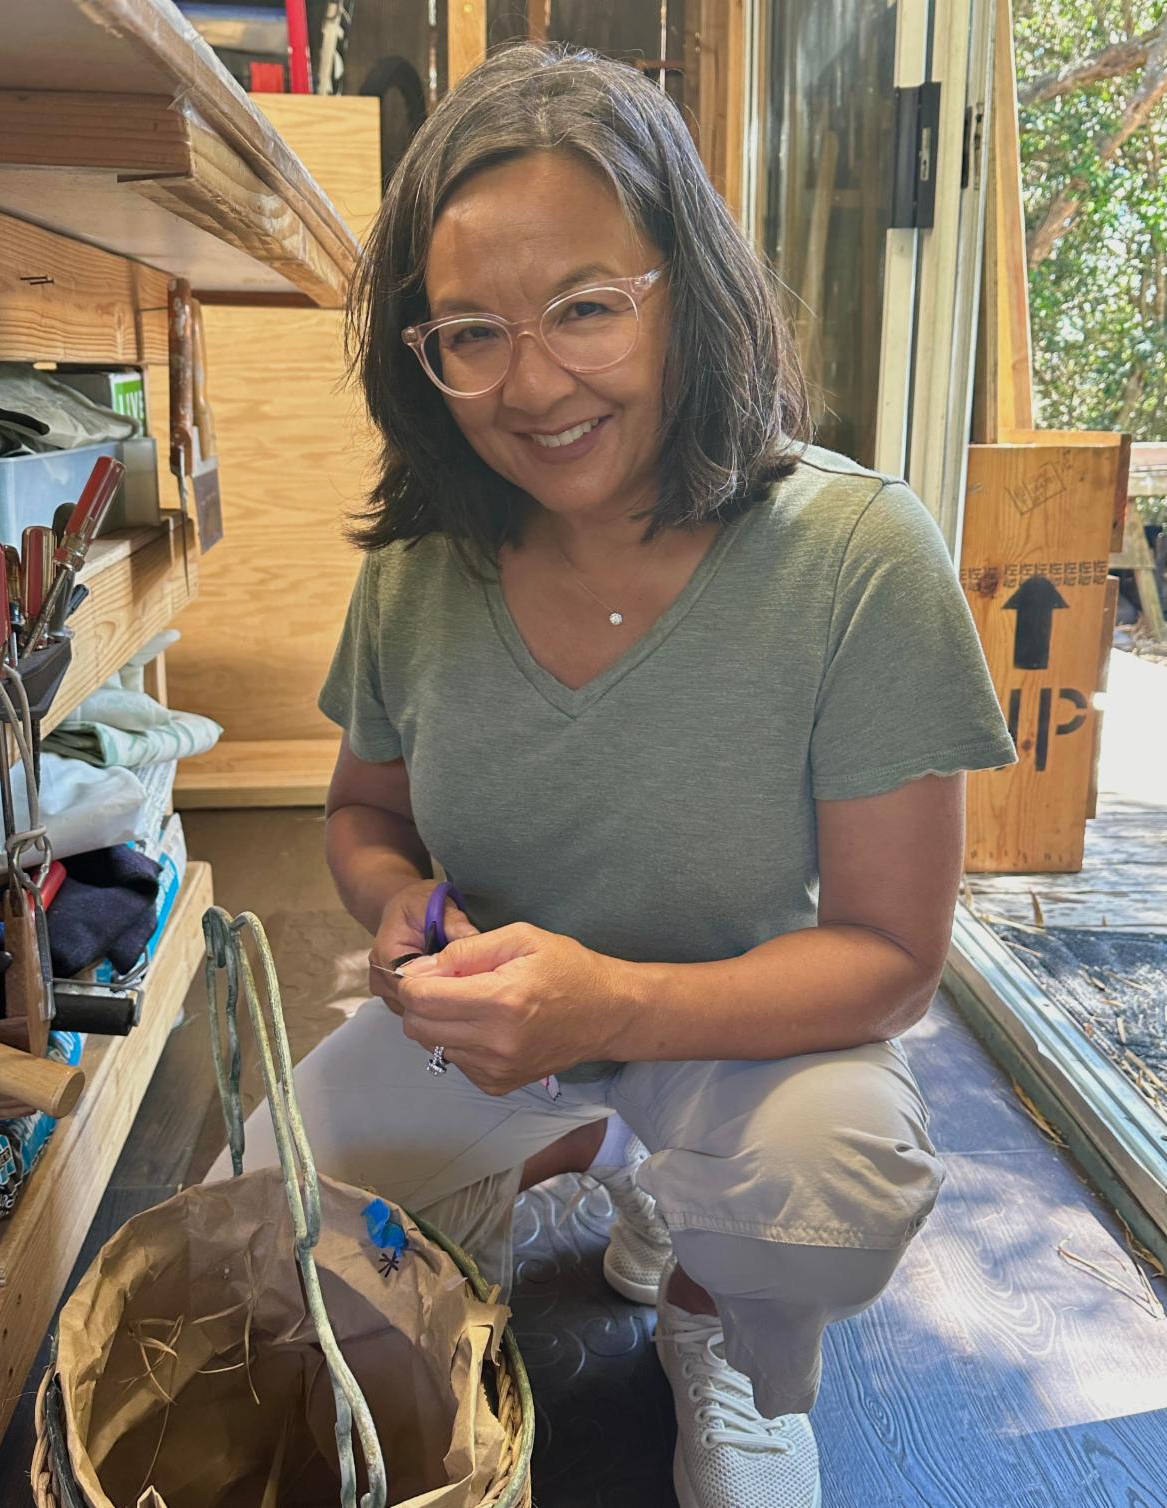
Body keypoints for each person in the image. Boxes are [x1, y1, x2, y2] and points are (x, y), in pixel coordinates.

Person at [221, 42, 1018, 1508]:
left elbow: (895, 959)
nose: (532, 385)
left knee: (834, 1186)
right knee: (257, 1242)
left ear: (687, 292)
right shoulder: (420, 564)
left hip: (750, 1032)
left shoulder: (858, 556)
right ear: (420, 352)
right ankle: (589, 1174)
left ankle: (718, 1319)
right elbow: (364, 813)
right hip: (485, 1034)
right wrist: (395, 908)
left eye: (587, 307)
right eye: (471, 332)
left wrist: (612, 1009)